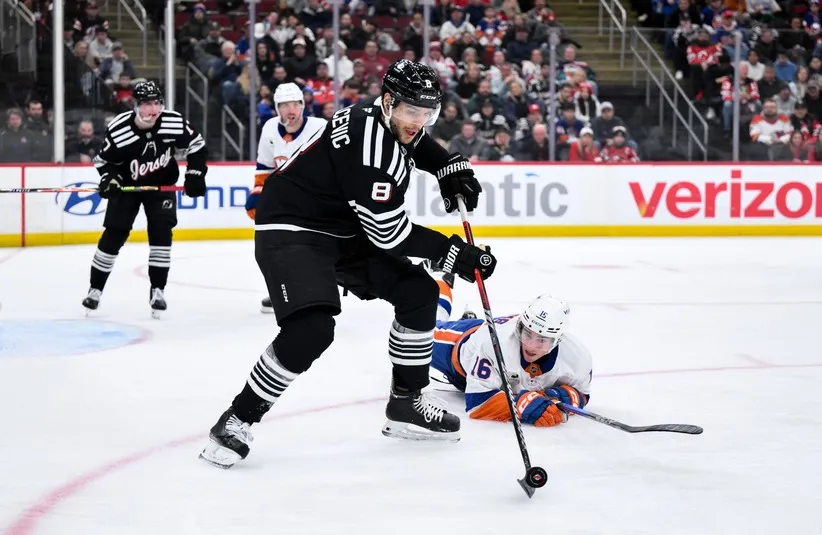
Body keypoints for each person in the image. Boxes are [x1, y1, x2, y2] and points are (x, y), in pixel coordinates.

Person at [200, 59, 496, 469]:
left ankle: (405, 404)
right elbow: (391, 236)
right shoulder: (371, 152)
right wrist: (453, 252)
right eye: (412, 111)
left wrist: (446, 164)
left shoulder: (383, 116)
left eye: (427, 113)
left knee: (419, 293)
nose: (418, 122)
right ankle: (236, 419)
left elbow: (416, 141)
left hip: (342, 226)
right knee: (311, 330)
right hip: (292, 227)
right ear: (389, 102)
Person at [81, 81, 208, 318]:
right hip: (127, 187)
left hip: (161, 186)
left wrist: (195, 173)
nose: (154, 109)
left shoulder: (172, 121)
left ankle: (158, 290)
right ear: (136, 106)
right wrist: (110, 178)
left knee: (161, 233)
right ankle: (95, 289)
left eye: (157, 103)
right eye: (148, 104)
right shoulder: (119, 128)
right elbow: (103, 161)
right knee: (114, 235)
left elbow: (197, 145)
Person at [430, 272, 592, 427]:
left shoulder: (577, 358)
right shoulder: (494, 344)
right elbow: (477, 403)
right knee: (422, 332)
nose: (531, 345)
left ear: (557, 340)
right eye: (527, 334)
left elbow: (582, 394)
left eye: (542, 340)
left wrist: (557, 395)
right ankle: (440, 278)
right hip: (460, 349)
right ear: (519, 327)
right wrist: (520, 406)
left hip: (491, 373)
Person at [246, 83, 328, 313]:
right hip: (283, 200)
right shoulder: (270, 128)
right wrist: (258, 192)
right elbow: (264, 167)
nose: (290, 110)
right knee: (269, 248)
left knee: (307, 249)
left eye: (295, 104)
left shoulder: (321, 127)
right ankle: (280, 291)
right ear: (276, 108)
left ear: (303, 105)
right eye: (284, 105)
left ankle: (309, 294)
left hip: (316, 199)